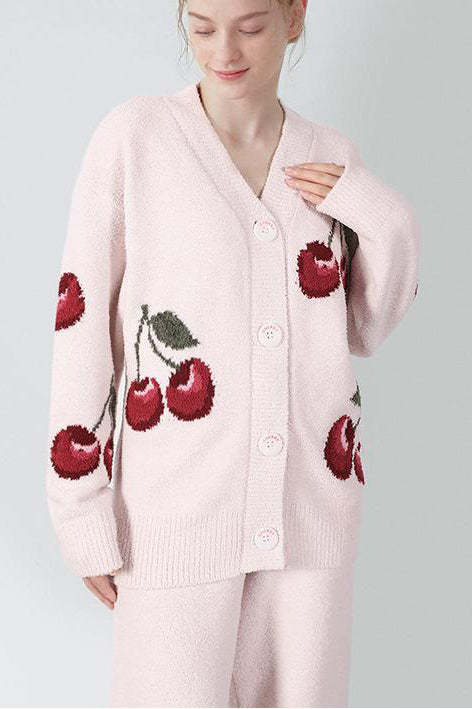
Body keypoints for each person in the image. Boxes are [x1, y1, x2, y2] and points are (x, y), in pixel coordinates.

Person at [45, 0, 421, 706]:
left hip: (309, 519)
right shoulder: (135, 140)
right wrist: (80, 510)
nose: (224, 51)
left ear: (294, 17)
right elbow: (81, 320)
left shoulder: (331, 158)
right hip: (174, 514)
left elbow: (367, 326)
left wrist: (384, 216)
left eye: (250, 26)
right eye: (202, 26)